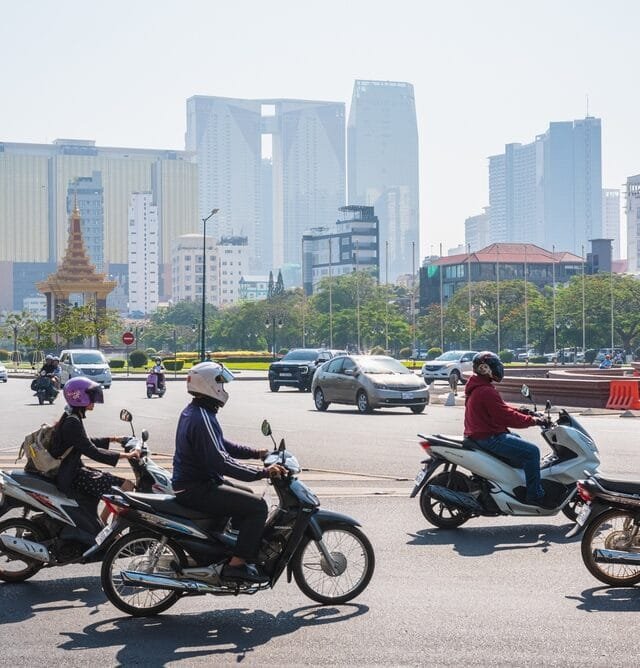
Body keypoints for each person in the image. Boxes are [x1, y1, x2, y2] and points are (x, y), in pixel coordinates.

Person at [172, 361, 286, 583]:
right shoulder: (201, 417)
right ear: (208, 385)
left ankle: (226, 549)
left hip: (195, 483)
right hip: (197, 488)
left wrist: (258, 453)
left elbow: (222, 445)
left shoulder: (197, 412)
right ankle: (236, 565)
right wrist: (262, 473)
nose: (224, 389)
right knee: (257, 507)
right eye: (221, 384)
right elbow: (221, 461)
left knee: (244, 493)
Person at [464, 351, 549, 507]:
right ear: (484, 368)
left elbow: (500, 408)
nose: (498, 369)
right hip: (489, 437)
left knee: (516, 439)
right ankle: (534, 495)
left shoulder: (479, 387)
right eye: (495, 366)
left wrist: (524, 411)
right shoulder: (486, 391)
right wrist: (533, 421)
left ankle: (512, 485)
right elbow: (505, 416)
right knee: (532, 452)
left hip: (480, 435)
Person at [49, 376, 139, 523]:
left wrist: (113, 439)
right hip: (72, 476)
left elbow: (84, 441)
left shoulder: (71, 416)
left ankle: (102, 524)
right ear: (80, 397)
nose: (94, 400)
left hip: (72, 471)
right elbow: (92, 451)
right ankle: (111, 529)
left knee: (117, 484)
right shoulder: (73, 422)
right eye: (91, 396)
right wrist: (127, 455)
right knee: (126, 486)